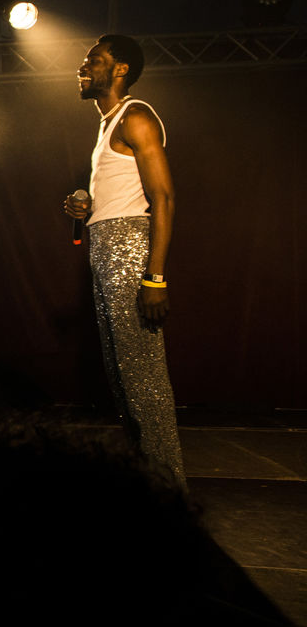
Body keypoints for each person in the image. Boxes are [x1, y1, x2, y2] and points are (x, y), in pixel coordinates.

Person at [65, 33, 183, 482]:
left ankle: (170, 491)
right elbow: (119, 196)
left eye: (93, 60)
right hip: (105, 251)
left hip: (129, 253)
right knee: (123, 381)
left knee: (144, 382)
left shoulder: (136, 117)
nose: (82, 66)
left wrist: (155, 278)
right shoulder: (107, 124)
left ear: (120, 69)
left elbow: (163, 198)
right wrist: (85, 203)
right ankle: (147, 486)